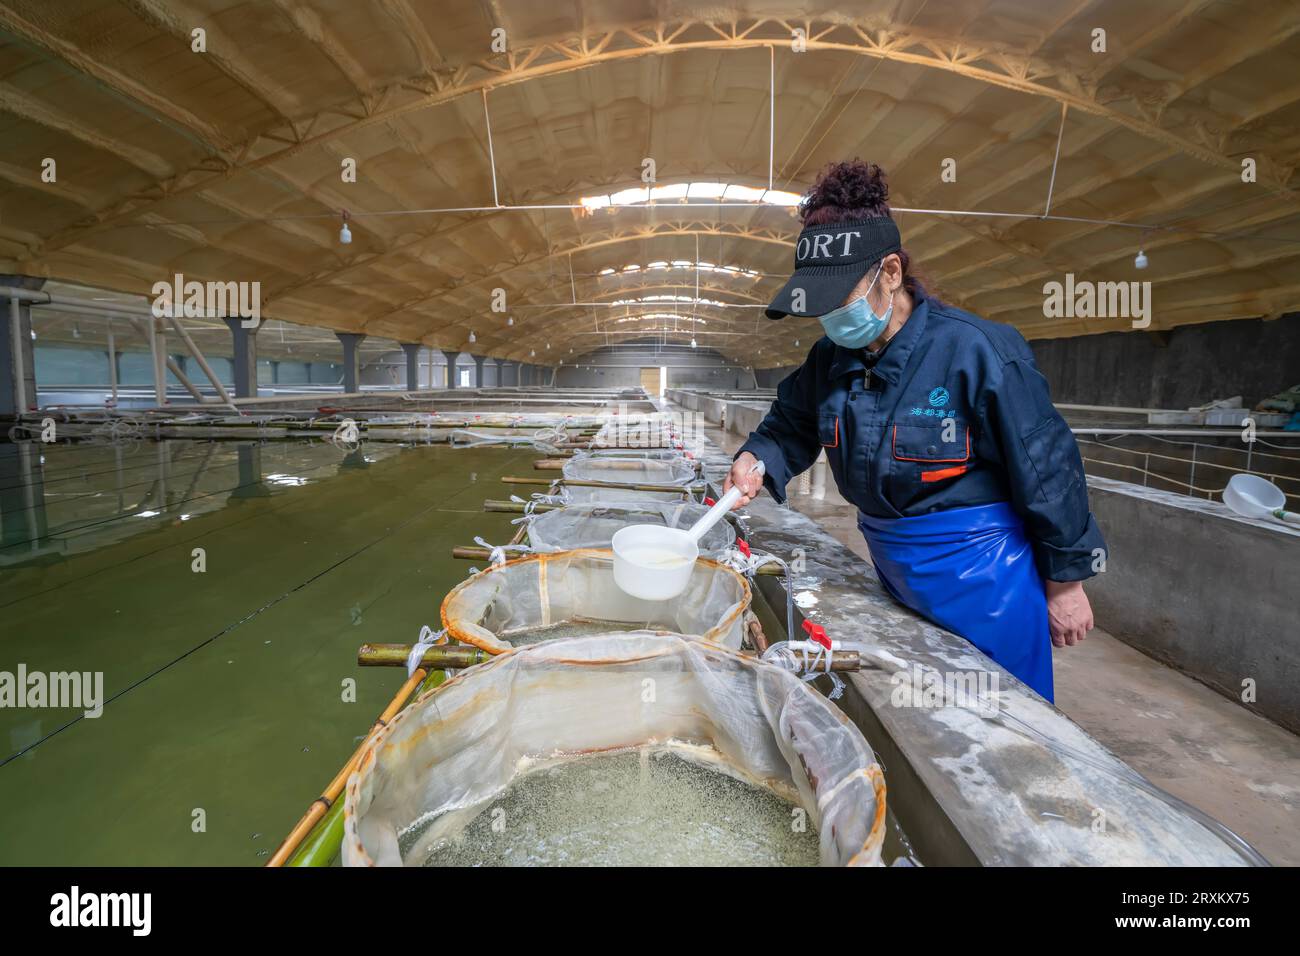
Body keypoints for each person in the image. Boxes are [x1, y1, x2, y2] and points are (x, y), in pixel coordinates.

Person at [724, 160, 1105, 702]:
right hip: (894, 564)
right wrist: (756, 458)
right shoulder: (830, 357)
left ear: (892, 273)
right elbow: (791, 425)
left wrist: (1066, 584)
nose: (831, 316)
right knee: (926, 704)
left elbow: (1048, 469)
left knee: (1000, 714)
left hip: (985, 577)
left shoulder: (978, 352)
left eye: (841, 298)